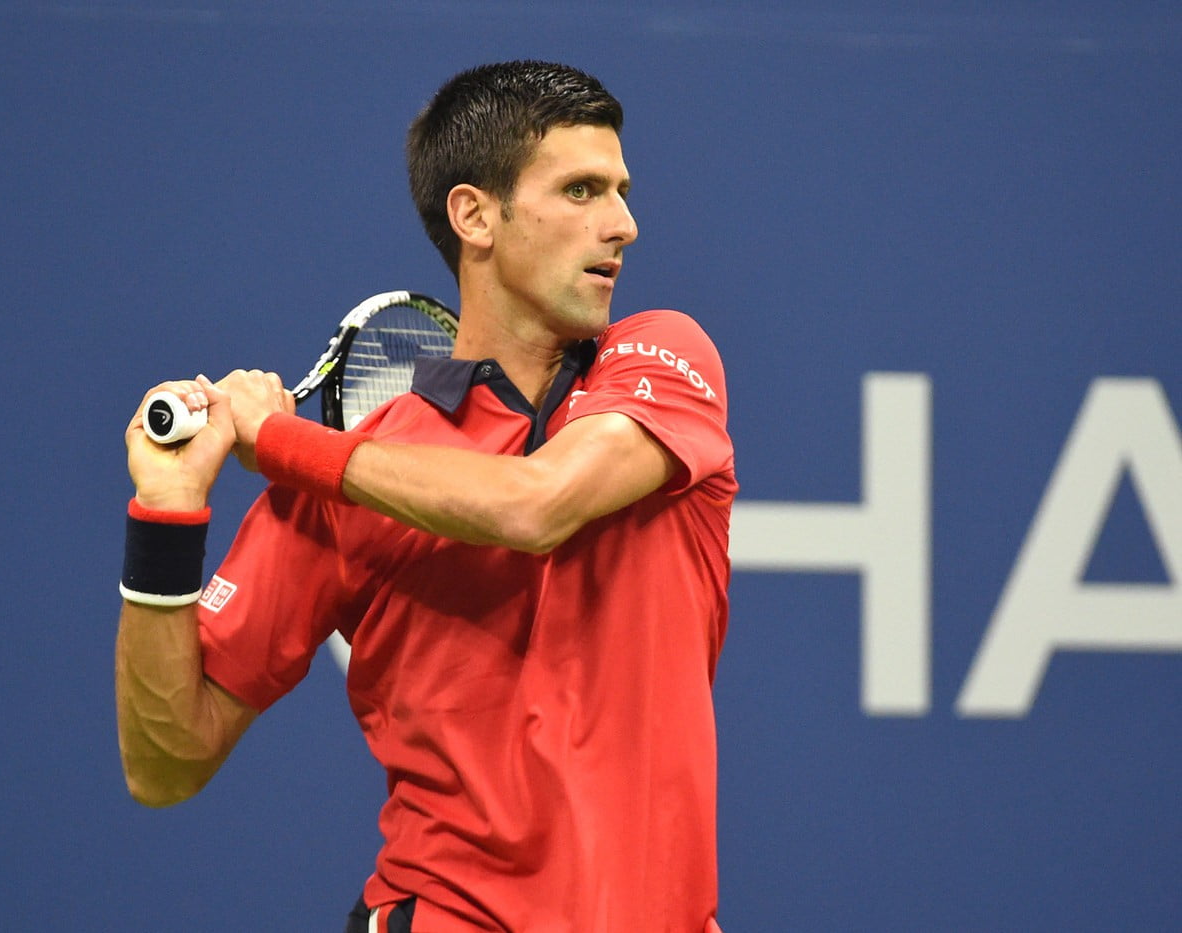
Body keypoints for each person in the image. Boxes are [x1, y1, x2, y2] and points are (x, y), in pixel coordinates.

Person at [116, 60, 737, 933]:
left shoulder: (665, 357)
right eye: (583, 190)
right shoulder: (345, 475)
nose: (624, 225)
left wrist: (282, 443)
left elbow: (535, 504)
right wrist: (169, 515)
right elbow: (165, 761)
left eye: (622, 190)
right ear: (475, 216)